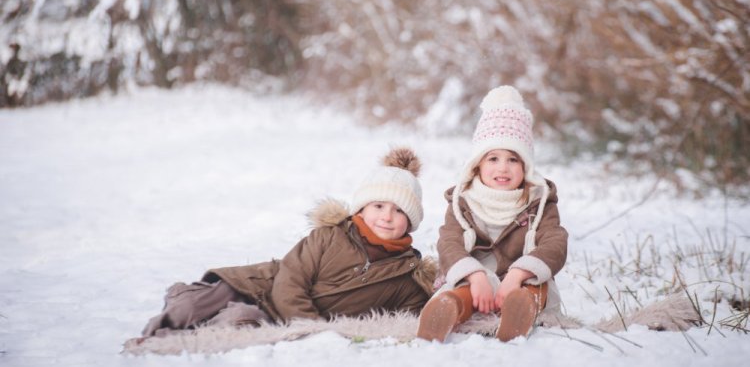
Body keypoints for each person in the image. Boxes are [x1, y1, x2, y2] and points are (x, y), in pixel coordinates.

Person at [141, 147, 436, 337]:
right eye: (379, 206)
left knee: (237, 323)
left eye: (399, 211)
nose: (387, 217)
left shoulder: (406, 277)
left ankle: (167, 346)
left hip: (271, 317)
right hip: (258, 285)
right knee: (190, 307)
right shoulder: (329, 236)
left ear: (410, 222)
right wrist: (310, 326)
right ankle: (169, 314)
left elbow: (408, 320)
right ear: (361, 209)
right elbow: (289, 281)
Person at [417, 85, 568, 342]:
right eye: (493, 158)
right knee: (462, 289)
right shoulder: (463, 201)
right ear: (477, 165)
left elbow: (555, 242)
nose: (503, 168)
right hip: (476, 279)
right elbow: (449, 242)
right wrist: (474, 275)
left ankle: (520, 309)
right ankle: (450, 307)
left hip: (522, 279)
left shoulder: (539, 203)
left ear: (526, 167)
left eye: (513, 159)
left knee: (535, 287)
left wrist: (518, 274)